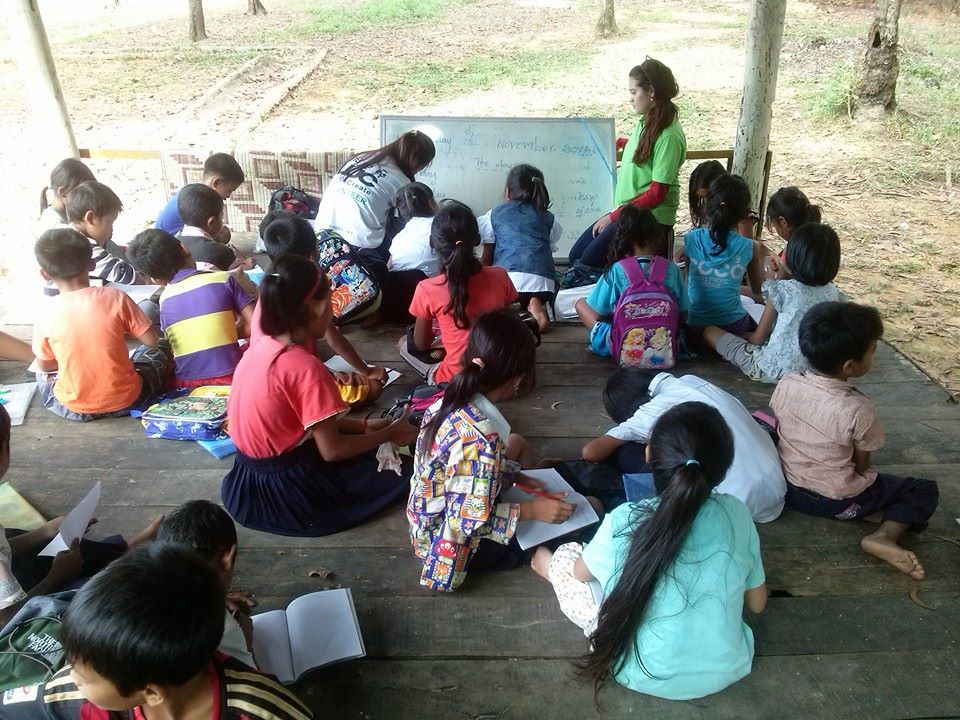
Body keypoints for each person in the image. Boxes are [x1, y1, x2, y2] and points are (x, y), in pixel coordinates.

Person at [532, 402, 767, 701]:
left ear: (648, 455)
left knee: (567, 555)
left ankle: (549, 567)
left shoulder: (624, 519)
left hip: (631, 669)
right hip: (727, 667)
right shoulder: (738, 515)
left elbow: (580, 573)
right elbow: (757, 604)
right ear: (724, 468)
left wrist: (557, 567)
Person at [221, 254, 419, 537]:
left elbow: (302, 421)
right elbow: (332, 451)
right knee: (406, 470)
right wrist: (390, 432)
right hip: (288, 491)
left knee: (371, 450)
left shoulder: (262, 342)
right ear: (316, 307)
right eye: (332, 301)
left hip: (246, 481)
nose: (334, 313)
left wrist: (363, 426)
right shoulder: (304, 367)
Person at [0, 543, 313, 720]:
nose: (70, 675)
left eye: (85, 677)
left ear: (150, 693)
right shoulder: (70, 694)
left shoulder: (262, 712)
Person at [407, 310, 577, 592]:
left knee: (517, 442)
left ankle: (524, 490)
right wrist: (532, 510)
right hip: (451, 548)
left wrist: (515, 476)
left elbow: (459, 468)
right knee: (589, 508)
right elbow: (465, 522)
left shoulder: (449, 398)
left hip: (425, 523)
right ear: (517, 379)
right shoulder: (483, 439)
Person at [771, 301, 939, 579]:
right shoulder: (857, 408)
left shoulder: (787, 382)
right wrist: (862, 476)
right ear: (850, 366)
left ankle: (866, 511)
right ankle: (883, 536)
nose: (874, 356)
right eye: (872, 351)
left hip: (790, 491)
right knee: (922, 491)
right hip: (836, 501)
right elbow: (863, 462)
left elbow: (781, 425)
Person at [0, 404, 161, 626]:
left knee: (57, 542)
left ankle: (121, 548)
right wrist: (57, 577)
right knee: (94, 593)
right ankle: (118, 556)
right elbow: (7, 622)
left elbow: (3, 548)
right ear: (4, 452)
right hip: (12, 626)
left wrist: (43, 532)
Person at [582, 367, 785, 522]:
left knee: (623, 452)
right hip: (776, 490)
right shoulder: (690, 380)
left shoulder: (649, 412)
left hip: (736, 503)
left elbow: (590, 452)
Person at [565, 58, 686, 280]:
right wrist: (626, 143)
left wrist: (613, 217)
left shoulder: (668, 135)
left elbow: (657, 194)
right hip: (630, 211)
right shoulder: (647, 121)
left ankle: (613, 295)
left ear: (651, 92)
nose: (630, 98)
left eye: (633, 92)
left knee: (587, 263)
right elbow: (649, 151)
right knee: (576, 256)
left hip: (648, 219)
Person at [32, 229, 171, 421]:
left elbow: (45, 365)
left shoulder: (45, 313)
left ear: (45, 274)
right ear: (92, 264)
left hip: (75, 408)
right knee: (158, 350)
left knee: (41, 377)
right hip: (128, 400)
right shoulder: (115, 297)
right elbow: (152, 341)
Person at [257, 210, 389, 401]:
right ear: (313, 255)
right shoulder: (311, 290)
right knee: (373, 389)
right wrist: (364, 372)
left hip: (273, 374)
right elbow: (332, 338)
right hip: (296, 381)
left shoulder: (272, 288)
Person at [704, 222, 842, 383]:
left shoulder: (782, 290)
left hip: (774, 371)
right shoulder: (834, 293)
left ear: (791, 259)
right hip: (814, 373)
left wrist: (742, 335)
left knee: (709, 331)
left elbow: (757, 339)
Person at [405, 201, 517, 383]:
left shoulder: (427, 289)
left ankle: (434, 377)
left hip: (456, 380)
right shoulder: (500, 276)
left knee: (403, 344)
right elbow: (504, 326)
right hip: (499, 375)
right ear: (477, 240)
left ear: (432, 242)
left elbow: (421, 344)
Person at [126, 229, 255, 388]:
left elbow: (176, 345)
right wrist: (227, 331)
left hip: (186, 383)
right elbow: (254, 325)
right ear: (184, 247)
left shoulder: (165, 299)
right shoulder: (224, 279)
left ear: (155, 279)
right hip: (232, 375)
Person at [574, 205, 687, 358]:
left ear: (622, 239)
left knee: (580, 304)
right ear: (656, 237)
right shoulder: (671, 269)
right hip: (664, 347)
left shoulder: (617, 270)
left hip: (624, 347)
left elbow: (597, 313)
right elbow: (683, 313)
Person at [313, 130, 436, 271]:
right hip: (357, 246)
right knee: (404, 240)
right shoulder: (402, 181)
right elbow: (409, 225)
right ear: (414, 160)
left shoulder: (362, 157)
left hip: (320, 232)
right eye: (421, 167)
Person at [156, 500, 256, 668]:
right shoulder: (221, 629)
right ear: (227, 558)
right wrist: (246, 639)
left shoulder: (140, 593)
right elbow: (250, 677)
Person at [479, 164, 560, 333]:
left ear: (508, 192)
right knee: (533, 295)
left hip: (508, 279)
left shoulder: (493, 215)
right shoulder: (549, 218)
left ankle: (508, 310)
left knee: (499, 305)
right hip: (542, 282)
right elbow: (549, 246)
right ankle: (535, 303)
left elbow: (486, 257)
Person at [682, 174, 765, 336]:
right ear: (745, 213)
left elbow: (688, 283)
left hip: (693, 327)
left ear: (707, 205)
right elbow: (758, 290)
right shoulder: (750, 247)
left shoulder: (691, 239)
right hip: (732, 327)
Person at [381, 182, 439, 322]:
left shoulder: (400, 236)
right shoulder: (439, 225)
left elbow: (388, 268)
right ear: (431, 203)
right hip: (421, 308)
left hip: (392, 307)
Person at [64, 181, 140, 286]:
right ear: (90, 218)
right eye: (109, 223)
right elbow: (121, 273)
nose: (111, 230)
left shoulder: (64, 234)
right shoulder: (84, 247)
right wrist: (145, 278)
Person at [155, 152, 245, 240]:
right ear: (216, 183)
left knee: (223, 232)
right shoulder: (198, 201)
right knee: (219, 236)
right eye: (230, 190)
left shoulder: (194, 191)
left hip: (175, 234)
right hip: (168, 242)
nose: (229, 196)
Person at [177, 183, 241, 272]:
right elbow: (234, 278)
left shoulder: (173, 245)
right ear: (211, 222)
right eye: (221, 218)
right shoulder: (222, 252)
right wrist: (240, 268)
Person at [765, 186, 822, 273]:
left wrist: (779, 264)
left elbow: (784, 276)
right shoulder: (814, 240)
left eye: (774, 224)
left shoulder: (791, 251)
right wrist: (779, 261)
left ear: (783, 222)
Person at [36, 158, 96, 235]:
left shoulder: (62, 216)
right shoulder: (55, 229)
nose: (87, 199)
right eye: (82, 194)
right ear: (63, 193)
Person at [686, 160, 726, 229]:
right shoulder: (705, 207)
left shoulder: (737, 212)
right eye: (702, 197)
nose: (706, 201)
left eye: (709, 196)